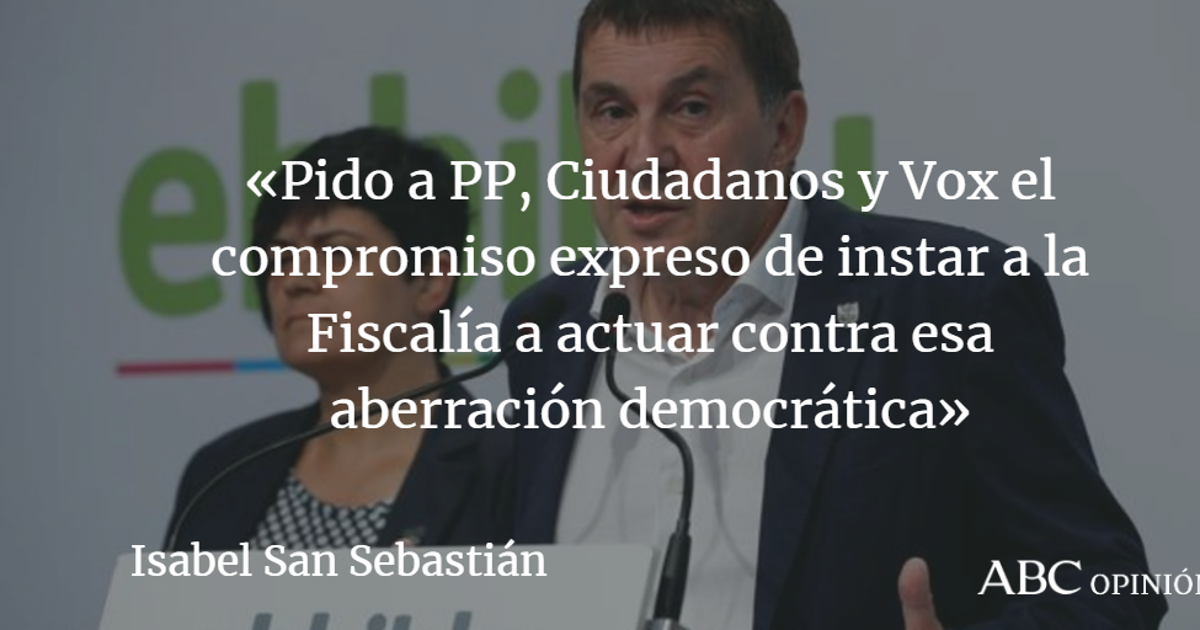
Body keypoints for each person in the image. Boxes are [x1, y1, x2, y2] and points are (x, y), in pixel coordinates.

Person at [500, 1, 1166, 628]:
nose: (645, 155)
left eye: (691, 108)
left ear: (783, 130)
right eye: (612, 111)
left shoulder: (948, 299)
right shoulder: (546, 327)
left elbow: (1106, 587)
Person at [165, 126, 510, 551]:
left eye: (335, 251)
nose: (295, 279)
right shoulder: (222, 471)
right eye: (280, 255)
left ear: (429, 280)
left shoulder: (508, 469)